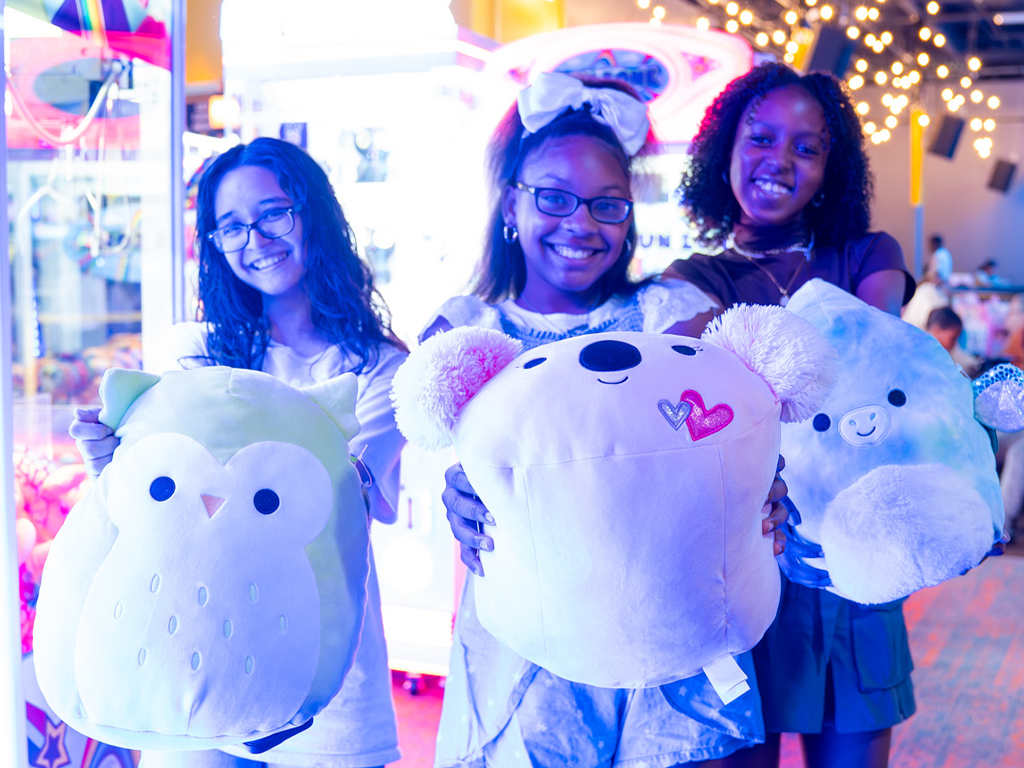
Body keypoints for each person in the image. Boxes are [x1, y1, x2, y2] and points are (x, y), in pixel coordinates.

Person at [425, 71, 790, 768]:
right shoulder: (469, 329)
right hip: (525, 647)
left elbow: (733, 423)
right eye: (554, 199)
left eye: (606, 205)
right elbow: (433, 455)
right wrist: (455, 488)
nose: (581, 225)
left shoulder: (667, 314)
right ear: (510, 205)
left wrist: (758, 486)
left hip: (669, 626)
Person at [68, 137, 407, 768]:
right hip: (189, 652)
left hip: (322, 656)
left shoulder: (378, 366)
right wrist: (108, 463)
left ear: (314, 215)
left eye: (274, 213)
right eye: (231, 228)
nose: (256, 239)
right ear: (216, 246)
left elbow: (337, 500)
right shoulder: (190, 353)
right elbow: (159, 495)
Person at [668, 62, 917, 768]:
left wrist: (730, 341)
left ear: (831, 170)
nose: (779, 160)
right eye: (761, 138)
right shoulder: (691, 275)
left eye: (807, 148)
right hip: (739, 566)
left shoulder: (869, 254)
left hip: (851, 564)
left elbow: (868, 366)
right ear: (726, 149)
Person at [926, 306, 982, 376]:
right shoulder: (924, 356)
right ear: (936, 330)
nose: (954, 344)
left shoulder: (942, 355)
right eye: (953, 338)